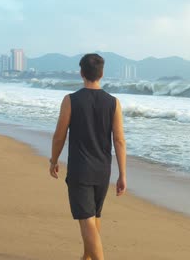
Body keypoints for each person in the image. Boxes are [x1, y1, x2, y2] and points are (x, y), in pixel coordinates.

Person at [49, 53, 127, 260]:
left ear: (82, 73)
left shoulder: (71, 100)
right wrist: (122, 174)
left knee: (86, 218)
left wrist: (53, 160)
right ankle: (87, 257)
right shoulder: (114, 102)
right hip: (103, 170)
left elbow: (59, 136)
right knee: (94, 216)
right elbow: (119, 140)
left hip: (80, 170)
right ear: (101, 74)